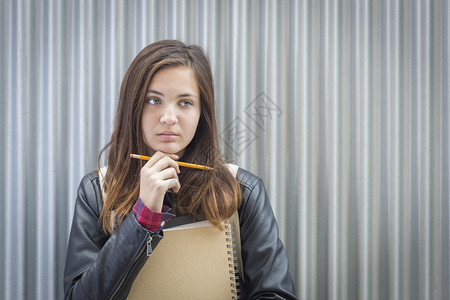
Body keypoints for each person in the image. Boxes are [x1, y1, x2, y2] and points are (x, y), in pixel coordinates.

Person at [63, 40, 297, 299]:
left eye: (185, 103)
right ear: (133, 108)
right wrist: (142, 217)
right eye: (154, 100)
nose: (168, 117)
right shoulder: (97, 192)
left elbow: (276, 294)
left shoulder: (243, 191)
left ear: (202, 113)